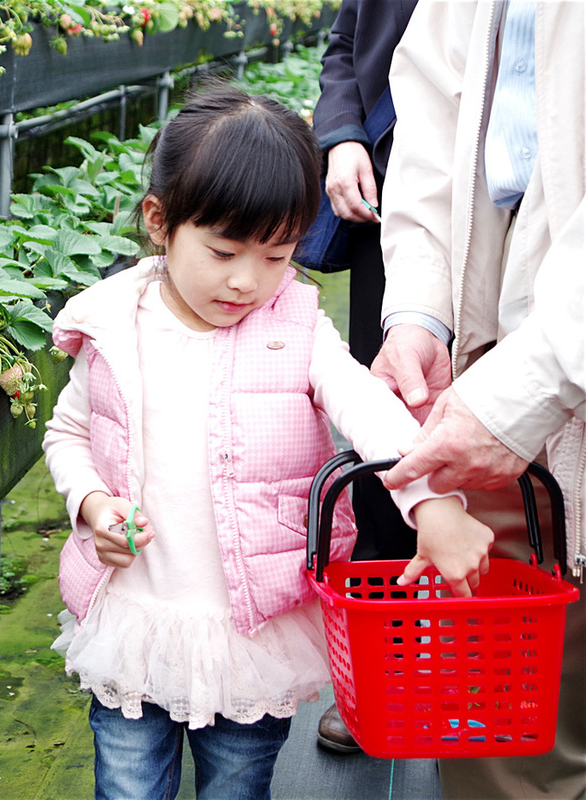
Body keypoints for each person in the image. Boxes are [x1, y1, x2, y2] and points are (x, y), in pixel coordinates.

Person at [41, 85, 493, 800]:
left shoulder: (296, 329)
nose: (248, 281)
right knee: (127, 786)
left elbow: (368, 409)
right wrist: (91, 504)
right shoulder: (111, 326)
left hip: (251, 636)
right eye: (223, 251)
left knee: (238, 783)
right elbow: (68, 431)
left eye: (278, 256)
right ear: (160, 222)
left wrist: (430, 501)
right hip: (135, 620)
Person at [371, 2, 585, 798]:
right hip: (496, 343)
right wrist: (423, 315)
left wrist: (544, 376)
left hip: (540, 358)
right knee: (505, 727)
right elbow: (430, 124)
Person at [306, 0, 417, 755]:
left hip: (541, 196)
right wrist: (344, 134)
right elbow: (347, 41)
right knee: (391, 405)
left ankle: (518, 654)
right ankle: (386, 663)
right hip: (397, 189)